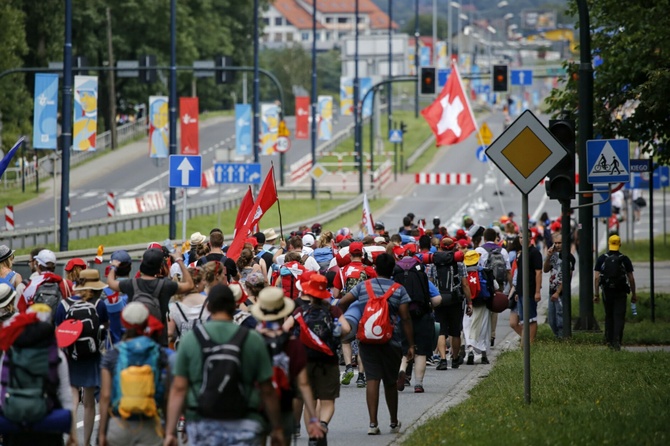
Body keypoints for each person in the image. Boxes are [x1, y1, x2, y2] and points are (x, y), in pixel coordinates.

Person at [164, 284, 285, 446]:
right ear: (234, 304)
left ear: (208, 306)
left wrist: (171, 432)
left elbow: (179, 388)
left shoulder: (191, 339)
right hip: (245, 423)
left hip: (202, 424)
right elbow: (267, 388)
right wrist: (276, 427)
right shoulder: (253, 339)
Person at [338, 253, 414, 435]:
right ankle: (394, 422)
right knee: (389, 382)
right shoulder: (399, 290)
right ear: (392, 270)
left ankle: (373, 424)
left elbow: (342, 302)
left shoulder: (364, 287)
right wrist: (411, 344)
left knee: (372, 379)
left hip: (367, 340)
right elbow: (405, 318)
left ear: (376, 269)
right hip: (392, 341)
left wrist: (345, 319)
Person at [250, 287, 324, 444]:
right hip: (283, 403)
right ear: (283, 312)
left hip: (256, 404)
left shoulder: (251, 340)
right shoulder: (293, 343)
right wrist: (313, 418)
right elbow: (303, 384)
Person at [0, 310, 77, 446]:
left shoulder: (10, 353)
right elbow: (66, 395)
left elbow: (2, 388)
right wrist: (72, 433)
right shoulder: (56, 355)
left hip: (15, 424)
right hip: (48, 424)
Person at [291, 274, 351, 445]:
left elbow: (286, 328)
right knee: (327, 400)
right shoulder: (333, 310)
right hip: (328, 360)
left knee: (310, 399)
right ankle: (323, 425)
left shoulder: (300, 311)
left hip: (305, 360)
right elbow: (346, 328)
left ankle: (312, 434)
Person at [98, 302, 168, 446]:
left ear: (124, 322)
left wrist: (102, 433)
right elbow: (166, 392)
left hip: (119, 424)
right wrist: (169, 428)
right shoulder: (157, 351)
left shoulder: (112, 354)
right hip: (149, 425)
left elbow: (105, 396)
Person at [54, 269, 109, 446]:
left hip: (70, 356)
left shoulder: (64, 304)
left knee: (73, 397)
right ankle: (86, 442)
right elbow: (104, 330)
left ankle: (72, 438)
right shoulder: (99, 304)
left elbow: (59, 330)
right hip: (92, 356)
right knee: (89, 402)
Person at [107, 248, 193, 346]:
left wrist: (113, 267)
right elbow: (189, 284)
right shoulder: (166, 285)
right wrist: (179, 260)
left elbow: (111, 283)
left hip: (135, 341)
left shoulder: (131, 284)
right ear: (160, 266)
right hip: (159, 341)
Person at [594, 235, 637, 350]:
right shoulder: (625, 259)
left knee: (609, 315)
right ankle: (617, 340)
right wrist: (634, 294)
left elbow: (597, 278)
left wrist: (596, 294)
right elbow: (631, 278)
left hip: (607, 292)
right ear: (620, 244)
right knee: (619, 316)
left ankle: (609, 341)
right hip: (621, 292)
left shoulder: (602, 258)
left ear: (609, 244)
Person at [509, 231, 543, 344]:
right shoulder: (522, 253)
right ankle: (524, 345)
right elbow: (520, 275)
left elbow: (538, 273)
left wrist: (537, 291)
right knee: (523, 321)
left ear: (530, 238)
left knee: (531, 319)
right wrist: (518, 291)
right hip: (521, 292)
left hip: (530, 291)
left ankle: (531, 344)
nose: (522, 239)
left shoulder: (534, 253)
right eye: (520, 237)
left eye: (524, 237)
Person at [167, 266, 209, 349]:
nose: (205, 283)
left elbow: (169, 333)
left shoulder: (175, 307)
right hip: (204, 348)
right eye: (203, 280)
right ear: (197, 283)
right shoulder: (209, 303)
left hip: (183, 349)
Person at [543, 233, 575, 338]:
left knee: (560, 318)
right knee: (552, 319)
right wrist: (548, 256)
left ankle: (562, 338)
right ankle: (557, 336)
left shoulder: (569, 257)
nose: (557, 245)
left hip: (561, 292)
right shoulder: (554, 255)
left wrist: (558, 292)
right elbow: (546, 269)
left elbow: (567, 277)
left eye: (559, 243)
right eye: (555, 243)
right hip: (552, 290)